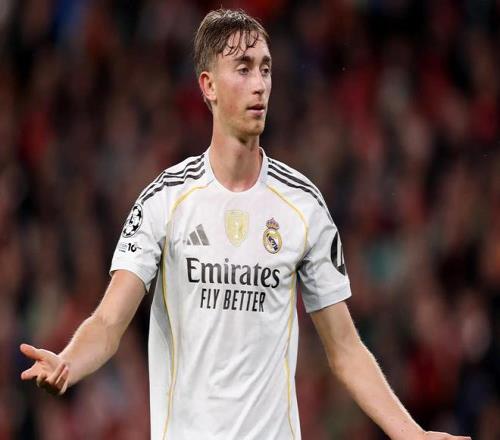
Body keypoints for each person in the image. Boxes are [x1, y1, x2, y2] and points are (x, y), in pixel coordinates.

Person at [20, 8, 472, 440]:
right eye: (243, 68)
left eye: (265, 69)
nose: (259, 84)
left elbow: (346, 350)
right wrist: (68, 362)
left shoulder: (303, 206)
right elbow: (108, 322)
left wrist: (412, 433)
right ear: (208, 86)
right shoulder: (165, 201)